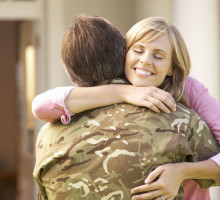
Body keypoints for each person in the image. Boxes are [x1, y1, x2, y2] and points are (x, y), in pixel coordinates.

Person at [32, 15, 220, 200]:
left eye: (158, 56)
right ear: (124, 54)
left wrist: (182, 172)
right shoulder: (112, 90)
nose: (145, 60)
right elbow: (41, 105)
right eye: (138, 50)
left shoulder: (188, 92)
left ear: (172, 67)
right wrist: (124, 92)